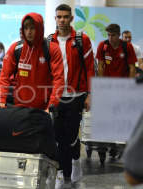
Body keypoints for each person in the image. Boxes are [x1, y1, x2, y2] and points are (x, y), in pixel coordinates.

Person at [50, 4, 95, 189]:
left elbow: (90, 67)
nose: (62, 20)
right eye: (59, 16)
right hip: (56, 97)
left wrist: (90, 94)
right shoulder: (49, 41)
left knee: (71, 135)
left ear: (71, 18)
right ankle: (59, 174)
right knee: (57, 136)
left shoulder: (82, 39)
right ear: (55, 19)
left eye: (65, 16)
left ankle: (76, 161)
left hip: (76, 94)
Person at [0, 12, 65, 112]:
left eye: (32, 28)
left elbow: (59, 80)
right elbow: (4, 76)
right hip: (19, 108)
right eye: (26, 28)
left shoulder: (52, 49)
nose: (28, 32)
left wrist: (52, 105)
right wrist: (2, 101)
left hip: (44, 109)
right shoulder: (15, 48)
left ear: (40, 29)